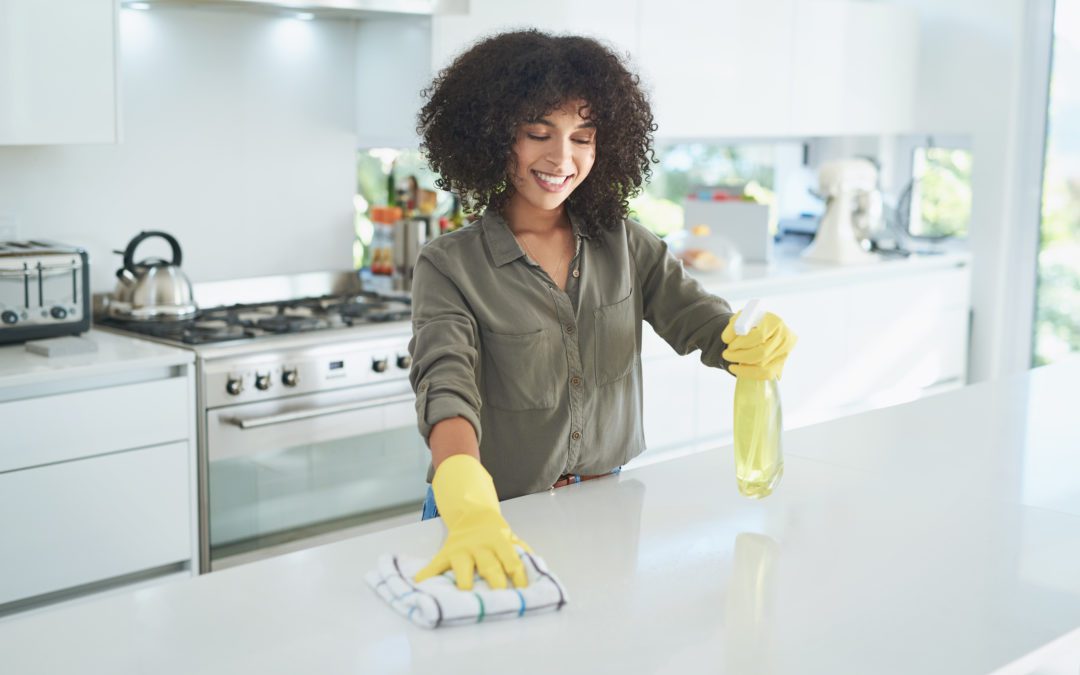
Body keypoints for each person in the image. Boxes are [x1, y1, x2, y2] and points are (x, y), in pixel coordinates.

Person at [407, 30, 797, 591]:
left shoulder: (626, 245)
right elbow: (445, 387)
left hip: (605, 507)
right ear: (493, 137)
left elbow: (705, 326)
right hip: (490, 518)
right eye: (538, 133)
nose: (561, 158)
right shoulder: (450, 265)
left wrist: (751, 337)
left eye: (582, 137)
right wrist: (468, 500)